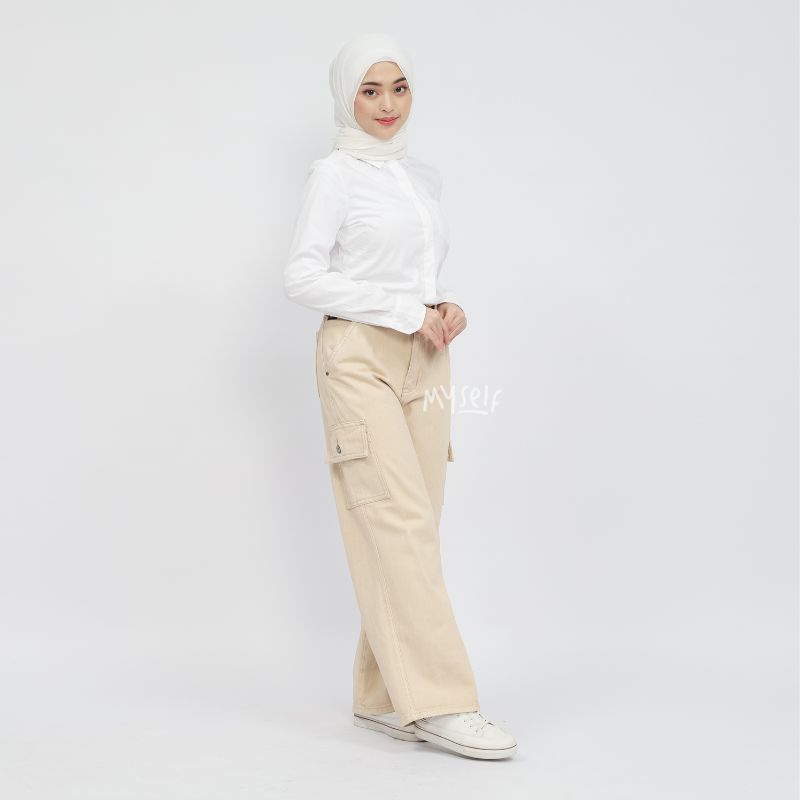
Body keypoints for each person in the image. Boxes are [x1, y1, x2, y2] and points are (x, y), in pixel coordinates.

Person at [283, 32, 517, 760]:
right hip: (358, 356)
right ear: (346, 97)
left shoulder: (421, 179)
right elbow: (301, 276)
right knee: (400, 523)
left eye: (400, 87)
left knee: (417, 525)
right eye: (370, 90)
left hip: (427, 356)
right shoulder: (334, 175)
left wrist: (441, 305)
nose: (387, 105)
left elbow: (409, 275)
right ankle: (443, 701)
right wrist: (400, 312)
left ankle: (384, 695)